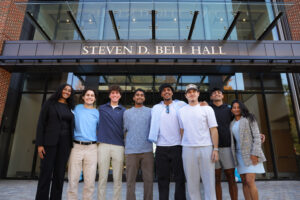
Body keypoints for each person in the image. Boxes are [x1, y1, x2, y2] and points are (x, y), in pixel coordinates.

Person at [178, 84, 219, 200]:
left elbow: (214, 129)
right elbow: (182, 130)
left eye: (194, 91)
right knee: (191, 183)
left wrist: (215, 149)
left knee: (209, 182)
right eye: (189, 92)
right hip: (187, 149)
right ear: (186, 95)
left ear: (198, 94)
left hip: (206, 148)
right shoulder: (181, 111)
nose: (192, 93)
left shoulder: (207, 109)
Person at [35, 83, 75, 200]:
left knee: (59, 174)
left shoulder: (70, 107)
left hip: (65, 144)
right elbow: (41, 124)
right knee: (45, 173)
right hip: (49, 143)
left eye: (69, 91)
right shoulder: (49, 103)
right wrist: (39, 144)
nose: (67, 92)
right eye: (65, 89)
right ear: (60, 90)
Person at [148, 83, 186, 200]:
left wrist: (203, 104)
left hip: (177, 146)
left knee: (180, 178)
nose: (166, 92)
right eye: (164, 91)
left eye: (168, 90)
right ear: (161, 94)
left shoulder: (181, 105)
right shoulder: (156, 108)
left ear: (172, 92)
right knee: (162, 179)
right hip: (161, 147)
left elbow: (193, 107)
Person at [230, 99, 266, 200]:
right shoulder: (232, 123)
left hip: (251, 154)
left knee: (250, 181)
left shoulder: (249, 118)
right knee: (244, 182)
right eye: (234, 107)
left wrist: (255, 153)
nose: (236, 109)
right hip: (238, 155)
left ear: (242, 108)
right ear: (231, 110)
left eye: (238, 107)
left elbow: (256, 136)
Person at [67, 89, 99, 200]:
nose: (90, 97)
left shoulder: (97, 113)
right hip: (76, 147)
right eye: (88, 95)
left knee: (90, 181)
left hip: (92, 148)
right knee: (73, 179)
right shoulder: (77, 109)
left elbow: (100, 130)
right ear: (83, 97)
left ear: (94, 98)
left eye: (92, 95)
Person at [123, 88, 153, 200]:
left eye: (142, 95)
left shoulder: (150, 111)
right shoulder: (127, 113)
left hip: (147, 151)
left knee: (149, 180)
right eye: (137, 95)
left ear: (144, 98)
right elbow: (123, 130)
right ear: (134, 98)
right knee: (130, 181)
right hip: (131, 151)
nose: (139, 96)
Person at [97, 85, 126, 200]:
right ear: (109, 95)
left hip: (118, 146)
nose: (115, 95)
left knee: (117, 178)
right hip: (103, 145)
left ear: (120, 95)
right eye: (113, 93)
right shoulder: (101, 109)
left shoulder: (124, 111)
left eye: (117, 93)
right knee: (102, 177)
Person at [210, 88, 238, 200]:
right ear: (211, 97)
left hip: (227, 148)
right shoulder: (207, 109)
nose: (217, 94)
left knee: (231, 177)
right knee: (216, 179)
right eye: (214, 93)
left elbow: (240, 122)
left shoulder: (230, 109)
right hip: (212, 149)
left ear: (222, 96)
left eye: (219, 93)